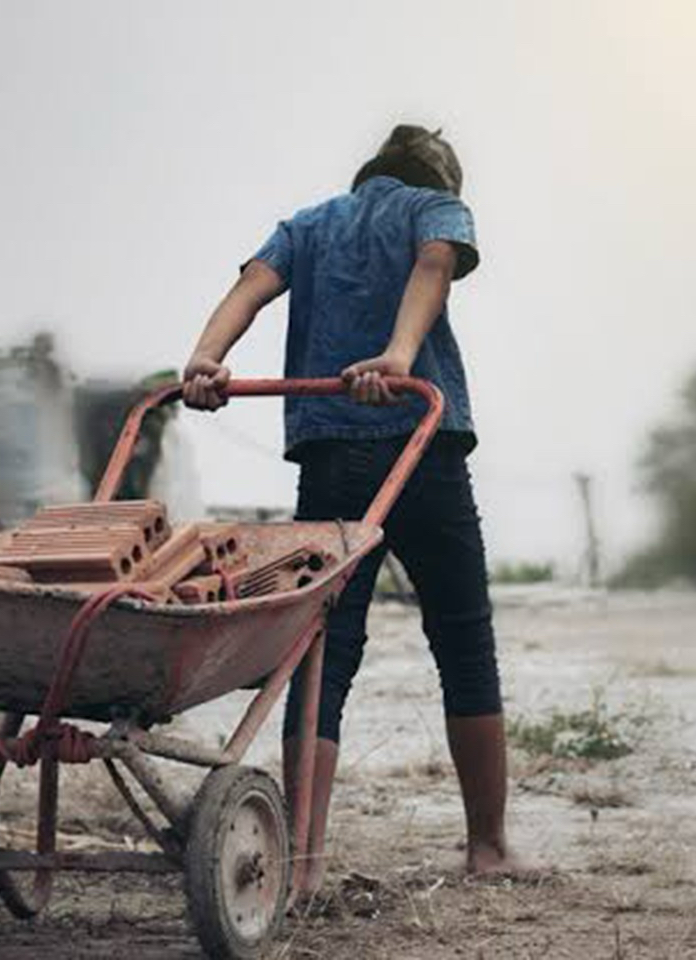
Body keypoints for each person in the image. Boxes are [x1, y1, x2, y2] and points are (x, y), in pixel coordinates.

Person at [181, 125, 514, 897]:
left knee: (324, 650)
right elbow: (435, 264)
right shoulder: (436, 209)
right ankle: (489, 847)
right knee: (464, 639)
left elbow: (251, 287)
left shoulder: (311, 223)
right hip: (421, 445)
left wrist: (207, 358)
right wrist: (400, 358)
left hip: (331, 450)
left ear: (369, 173)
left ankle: (301, 865)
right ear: (440, 182)